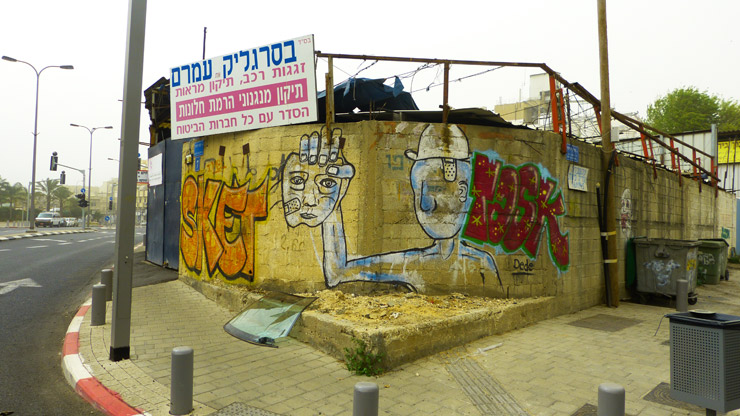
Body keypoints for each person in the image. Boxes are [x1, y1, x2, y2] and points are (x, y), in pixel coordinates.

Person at [281, 124, 499, 291]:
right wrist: (334, 200)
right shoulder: (412, 263)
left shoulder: (482, 264)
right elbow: (337, 273)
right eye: (417, 191)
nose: (424, 204)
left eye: (435, 188)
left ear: (462, 192)